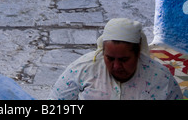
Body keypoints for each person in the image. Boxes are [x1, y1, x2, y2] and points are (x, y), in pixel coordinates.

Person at [48, 18, 183, 100]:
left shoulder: (160, 78)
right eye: (110, 58)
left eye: (124, 60)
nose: (116, 66)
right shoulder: (82, 69)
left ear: (137, 54)